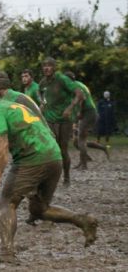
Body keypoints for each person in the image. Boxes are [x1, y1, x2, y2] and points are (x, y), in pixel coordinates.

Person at [0, 83, 97, 264]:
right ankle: (83, 220)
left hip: (32, 159)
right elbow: (14, 126)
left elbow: (2, 145)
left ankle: (6, 254)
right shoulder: (12, 106)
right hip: (54, 156)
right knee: (39, 209)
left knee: (7, 203)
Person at [39, 57, 84, 186]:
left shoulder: (62, 79)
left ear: (54, 67)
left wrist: (70, 108)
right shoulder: (43, 82)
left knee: (63, 149)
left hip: (64, 119)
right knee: (50, 147)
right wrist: (42, 102)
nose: (46, 68)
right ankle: (47, 178)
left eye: (49, 65)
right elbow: (40, 92)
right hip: (49, 118)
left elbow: (79, 94)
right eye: (44, 65)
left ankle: (67, 177)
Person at [64, 72, 109, 169]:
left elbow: (82, 98)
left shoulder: (74, 85)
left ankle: (84, 164)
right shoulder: (78, 84)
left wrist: (80, 112)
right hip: (87, 112)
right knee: (77, 141)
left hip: (88, 112)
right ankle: (86, 159)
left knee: (81, 140)